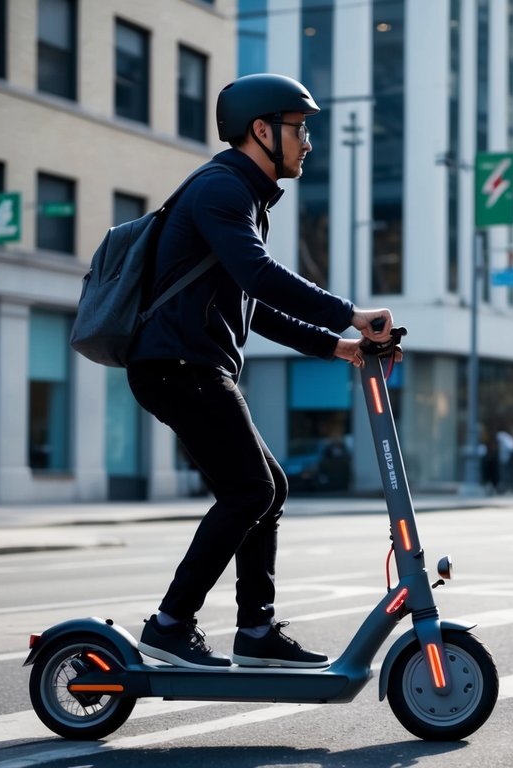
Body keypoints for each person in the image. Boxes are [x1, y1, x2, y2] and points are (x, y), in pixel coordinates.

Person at [127, 73, 393, 670]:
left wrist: (338, 346)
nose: (307, 142)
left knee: (267, 488)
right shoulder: (221, 190)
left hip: (191, 366)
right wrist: (350, 313)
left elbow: (254, 306)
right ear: (261, 130)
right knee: (251, 489)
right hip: (178, 367)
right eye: (299, 129)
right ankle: (170, 625)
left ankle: (255, 631)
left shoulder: (240, 194)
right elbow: (261, 277)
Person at [495, 427, 513, 492]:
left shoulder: (500, 435)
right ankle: (507, 485)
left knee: (504, 472)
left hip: (506, 457)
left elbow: (505, 449)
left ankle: (505, 485)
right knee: (507, 472)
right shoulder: (507, 437)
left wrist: (502, 458)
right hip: (509, 455)